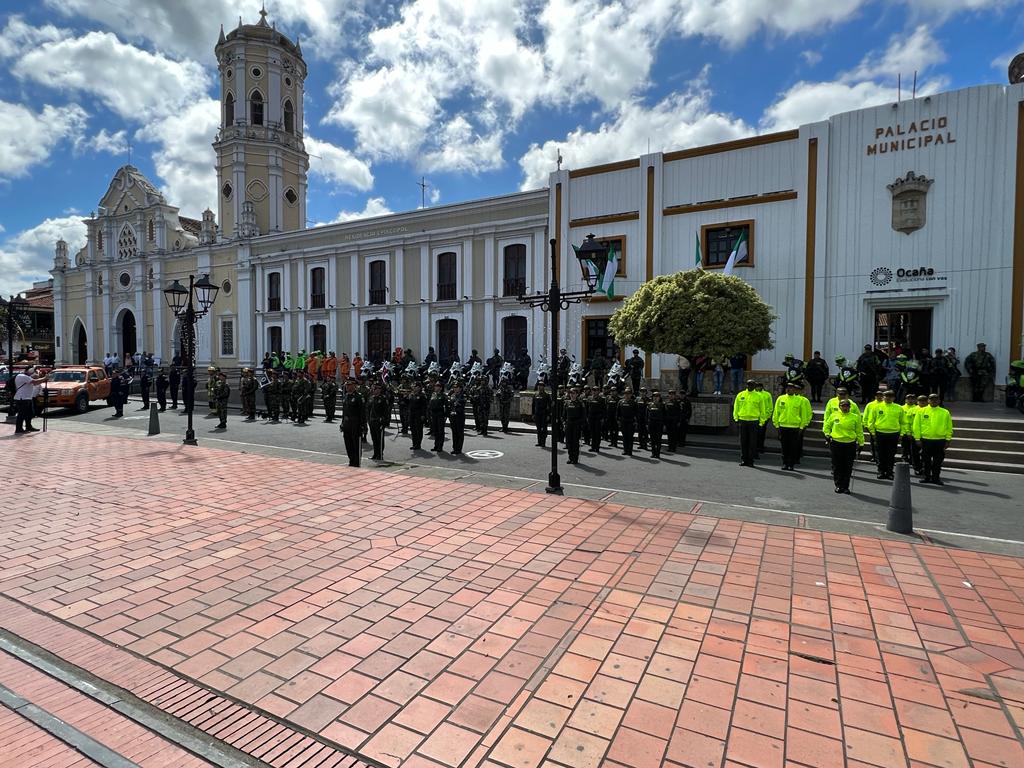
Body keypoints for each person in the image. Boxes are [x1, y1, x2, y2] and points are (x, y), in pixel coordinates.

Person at [824, 399, 863, 493]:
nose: (845, 408)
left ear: (850, 407)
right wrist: (827, 434)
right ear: (839, 407)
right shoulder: (834, 415)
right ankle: (838, 485)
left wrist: (861, 443)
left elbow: (859, 431)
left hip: (850, 443)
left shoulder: (855, 417)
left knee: (848, 466)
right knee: (837, 465)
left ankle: (845, 486)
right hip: (836, 443)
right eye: (843, 406)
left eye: (847, 406)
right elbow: (827, 426)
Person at [914, 393, 954, 485]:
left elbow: (949, 427)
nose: (933, 401)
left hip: (939, 440)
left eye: (936, 399)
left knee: (938, 461)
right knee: (926, 461)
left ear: (939, 401)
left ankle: (936, 478)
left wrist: (948, 439)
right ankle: (927, 477)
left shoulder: (945, 412)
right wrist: (917, 438)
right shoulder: (921, 411)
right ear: (928, 401)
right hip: (926, 440)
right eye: (931, 399)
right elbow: (916, 426)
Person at [772, 382, 811, 470]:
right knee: (784, 446)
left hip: (795, 427)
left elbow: (804, 415)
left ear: (795, 390)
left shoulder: (800, 400)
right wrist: (777, 425)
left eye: (791, 388)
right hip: (783, 426)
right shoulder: (781, 398)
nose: (789, 389)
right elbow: (776, 413)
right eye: (787, 388)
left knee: (793, 447)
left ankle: (791, 464)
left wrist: (801, 427)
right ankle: (785, 463)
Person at [867, 389, 904, 480]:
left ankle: (890, 472)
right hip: (880, 433)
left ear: (894, 398)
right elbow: (871, 421)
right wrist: (872, 432)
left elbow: (903, 422)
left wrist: (902, 434)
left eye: (890, 396)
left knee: (891, 454)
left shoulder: (899, 408)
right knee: (880, 454)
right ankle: (881, 471)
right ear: (883, 397)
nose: (888, 398)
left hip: (893, 434)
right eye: (886, 396)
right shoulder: (876, 407)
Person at [733, 379, 767, 467]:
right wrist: (736, 419)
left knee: (752, 442)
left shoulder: (759, 396)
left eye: (751, 385)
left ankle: (751, 460)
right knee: (743, 441)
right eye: (748, 384)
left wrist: (761, 422)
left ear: (755, 386)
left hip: (754, 421)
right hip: (743, 420)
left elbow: (762, 410)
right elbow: (736, 407)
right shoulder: (740, 395)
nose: (749, 386)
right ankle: (744, 459)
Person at [339, 378, 366, 467]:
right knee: (348, 443)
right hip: (347, 424)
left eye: (349, 385)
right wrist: (342, 423)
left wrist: (363, 425)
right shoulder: (346, 396)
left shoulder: (359, 397)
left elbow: (362, 413)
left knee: (356, 444)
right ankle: (351, 460)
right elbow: (344, 411)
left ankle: (356, 462)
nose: (347, 387)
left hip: (355, 424)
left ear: (354, 386)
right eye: (347, 385)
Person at [13, 366, 47, 433]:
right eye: (32, 371)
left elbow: (36, 383)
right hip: (22, 398)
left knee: (30, 413)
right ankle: (19, 429)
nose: (33, 373)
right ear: (26, 370)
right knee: (22, 414)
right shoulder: (22, 376)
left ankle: (28, 426)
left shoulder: (26, 377)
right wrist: (44, 378)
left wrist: (42, 379)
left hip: (28, 397)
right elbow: (34, 382)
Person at [901, 395, 928, 475]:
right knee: (914, 453)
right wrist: (908, 433)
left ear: (927, 402)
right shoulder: (912, 410)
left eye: (924, 400)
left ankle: (925, 467)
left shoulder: (930, 410)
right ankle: (917, 468)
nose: (922, 402)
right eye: (920, 400)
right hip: (914, 435)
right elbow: (907, 423)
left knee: (925, 454)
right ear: (917, 401)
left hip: (926, 436)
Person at [368, 382, 390, 461]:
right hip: (372, 421)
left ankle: (380, 454)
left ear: (379, 390)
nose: (374, 390)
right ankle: (375, 453)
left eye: (376, 389)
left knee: (379, 439)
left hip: (379, 422)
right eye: (374, 389)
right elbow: (368, 409)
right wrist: (368, 419)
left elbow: (386, 411)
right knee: (374, 439)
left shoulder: (383, 399)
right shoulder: (371, 398)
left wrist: (384, 421)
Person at [563, 388, 585, 464]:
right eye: (571, 393)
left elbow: (583, 415)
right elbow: (564, 415)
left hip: (576, 424)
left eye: (574, 393)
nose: (572, 394)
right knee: (569, 441)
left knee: (575, 442)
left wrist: (581, 424)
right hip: (569, 424)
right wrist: (564, 422)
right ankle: (570, 457)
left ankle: (575, 458)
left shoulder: (580, 403)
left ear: (577, 394)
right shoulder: (567, 403)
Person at [754, 381, 773, 456]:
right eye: (757, 386)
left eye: (759, 386)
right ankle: (754, 448)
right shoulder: (753, 394)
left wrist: (768, 416)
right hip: (754, 417)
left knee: (761, 434)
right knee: (754, 434)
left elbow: (770, 406)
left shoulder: (767, 394)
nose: (758, 388)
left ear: (762, 387)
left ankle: (760, 447)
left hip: (764, 417)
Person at [617, 388, 637, 456]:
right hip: (623, 421)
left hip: (631, 422)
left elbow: (636, 413)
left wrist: (635, 421)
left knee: (630, 437)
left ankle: (630, 451)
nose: (627, 395)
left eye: (628, 393)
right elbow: (618, 412)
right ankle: (625, 450)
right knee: (624, 436)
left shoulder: (633, 402)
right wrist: (618, 420)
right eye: (626, 393)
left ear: (631, 394)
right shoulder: (620, 402)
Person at [429, 382, 448, 452]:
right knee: (435, 431)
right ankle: (436, 445)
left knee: (440, 431)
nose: (435, 387)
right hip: (434, 414)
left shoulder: (443, 395)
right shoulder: (433, 394)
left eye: (437, 386)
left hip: (440, 414)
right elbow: (430, 404)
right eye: (435, 386)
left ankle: (440, 446)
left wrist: (446, 415)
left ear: (440, 388)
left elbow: (446, 406)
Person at [408, 381, 427, 450]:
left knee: (418, 430)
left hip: (418, 414)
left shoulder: (422, 395)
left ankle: (418, 444)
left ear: (419, 388)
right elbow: (409, 404)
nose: (415, 388)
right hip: (412, 414)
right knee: (413, 429)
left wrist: (423, 415)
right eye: (414, 386)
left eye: (416, 387)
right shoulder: (412, 394)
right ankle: (414, 443)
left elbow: (424, 406)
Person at [647, 391, 666, 459]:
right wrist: (647, 423)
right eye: (654, 396)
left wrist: (664, 425)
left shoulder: (662, 405)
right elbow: (647, 415)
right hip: (651, 423)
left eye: (657, 396)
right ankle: (653, 453)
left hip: (659, 423)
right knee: (652, 439)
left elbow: (665, 415)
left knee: (658, 440)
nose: (655, 398)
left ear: (659, 398)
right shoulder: (649, 404)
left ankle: (657, 454)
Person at [449, 381, 467, 455]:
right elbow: (451, 404)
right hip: (453, 416)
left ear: (460, 388)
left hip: (460, 416)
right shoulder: (453, 395)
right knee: (454, 432)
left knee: (459, 432)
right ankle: (455, 447)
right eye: (454, 387)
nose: (455, 389)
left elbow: (462, 404)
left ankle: (459, 448)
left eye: (457, 387)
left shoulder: (463, 395)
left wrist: (457, 403)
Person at [534, 381, 551, 447]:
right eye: (539, 385)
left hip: (544, 413)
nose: (539, 387)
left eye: (541, 386)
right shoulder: (536, 394)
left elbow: (549, 406)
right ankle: (539, 442)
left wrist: (549, 415)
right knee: (538, 428)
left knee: (544, 429)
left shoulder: (546, 395)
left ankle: (543, 442)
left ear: (543, 387)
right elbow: (533, 405)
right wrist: (533, 414)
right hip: (537, 413)